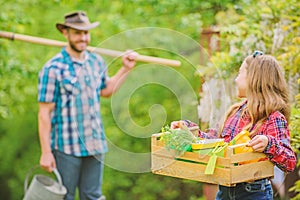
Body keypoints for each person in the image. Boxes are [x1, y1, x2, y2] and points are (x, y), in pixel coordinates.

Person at [37, 11, 138, 200]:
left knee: (93, 196)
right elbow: (44, 113)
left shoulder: (95, 61)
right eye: (77, 33)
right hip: (66, 147)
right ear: (65, 33)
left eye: (85, 33)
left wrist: (125, 69)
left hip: (95, 143)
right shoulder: (53, 68)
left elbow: (106, 90)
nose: (83, 38)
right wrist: (46, 152)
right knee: (64, 196)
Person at [171, 51, 297, 199]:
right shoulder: (235, 112)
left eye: (239, 74)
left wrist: (269, 144)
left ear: (253, 78)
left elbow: (289, 162)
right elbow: (216, 141)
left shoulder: (273, 118)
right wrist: (189, 130)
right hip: (225, 190)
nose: (236, 80)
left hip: (254, 193)